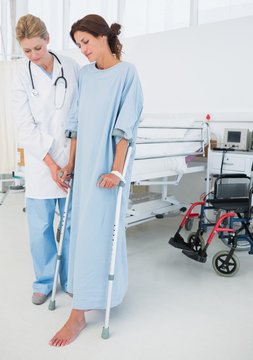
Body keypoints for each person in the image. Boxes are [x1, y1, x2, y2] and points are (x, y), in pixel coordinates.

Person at [49, 14, 143, 346]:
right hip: (86, 165)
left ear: (103, 36)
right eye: (78, 45)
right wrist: (71, 164)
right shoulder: (86, 77)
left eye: (86, 42)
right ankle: (85, 297)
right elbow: (75, 123)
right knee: (79, 232)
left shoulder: (127, 74)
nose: (83, 50)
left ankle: (79, 314)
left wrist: (117, 171)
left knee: (101, 233)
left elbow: (125, 127)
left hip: (108, 168)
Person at [12, 14, 80, 305]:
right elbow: (24, 126)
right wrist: (52, 164)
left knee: (72, 224)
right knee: (40, 229)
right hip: (42, 165)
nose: (33, 55)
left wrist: (70, 162)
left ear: (48, 39)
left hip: (71, 159)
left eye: (37, 48)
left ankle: (72, 278)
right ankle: (43, 282)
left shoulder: (72, 66)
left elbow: (79, 115)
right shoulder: (20, 76)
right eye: (26, 51)